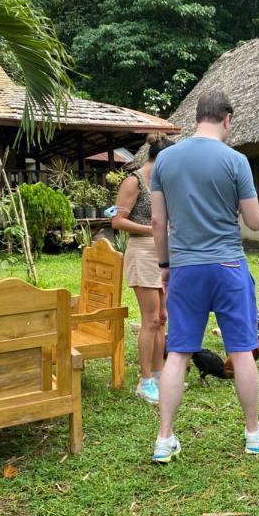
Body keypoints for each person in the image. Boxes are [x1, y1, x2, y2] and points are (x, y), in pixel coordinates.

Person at [150, 89, 259, 463]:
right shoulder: (236, 161)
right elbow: (253, 221)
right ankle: (252, 434)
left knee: (179, 354)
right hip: (229, 267)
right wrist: (255, 209)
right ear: (227, 119)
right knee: (242, 351)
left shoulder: (165, 161)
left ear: (198, 116)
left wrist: (165, 267)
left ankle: (164, 439)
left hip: (185, 268)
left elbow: (157, 222)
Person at [112, 133, 174, 404]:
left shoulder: (163, 184)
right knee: (149, 319)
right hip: (142, 252)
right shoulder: (133, 181)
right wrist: (151, 229)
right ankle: (145, 380)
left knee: (162, 317)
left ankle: (161, 374)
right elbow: (118, 221)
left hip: (163, 253)